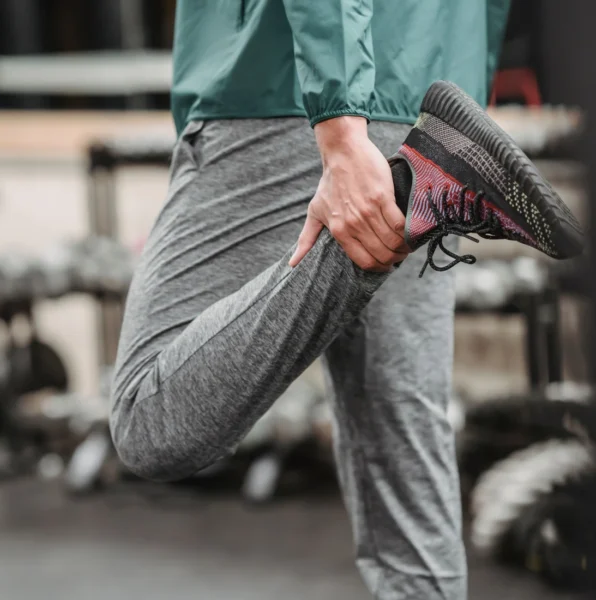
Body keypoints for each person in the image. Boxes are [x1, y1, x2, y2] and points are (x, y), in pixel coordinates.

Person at [110, 2, 582, 598]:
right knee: (403, 452)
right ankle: (429, 187)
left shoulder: (329, 115)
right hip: (426, 104)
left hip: (285, 84)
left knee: (147, 422)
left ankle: (414, 195)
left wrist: (340, 126)